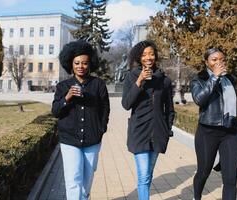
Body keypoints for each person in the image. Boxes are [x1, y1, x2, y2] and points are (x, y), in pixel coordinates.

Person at [51, 40, 110, 200]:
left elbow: (105, 109)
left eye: (84, 63)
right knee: (73, 181)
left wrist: (101, 128)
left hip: (92, 139)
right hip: (69, 140)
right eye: (77, 63)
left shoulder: (98, 85)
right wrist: (68, 97)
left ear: (90, 64)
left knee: (86, 183)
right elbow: (55, 111)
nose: (81, 66)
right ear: (71, 63)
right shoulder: (63, 86)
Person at [121, 40, 175, 200]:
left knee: (149, 173)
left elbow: (170, 109)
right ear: (139, 57)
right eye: (144, 55)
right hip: (139, 132)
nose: (148, 57)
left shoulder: (164, 80)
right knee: (144, 174)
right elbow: (126, 104)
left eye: (151, 54)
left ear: (155, 56)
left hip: (158, 133)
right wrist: (139, 82)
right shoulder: (131, 76)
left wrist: (167, 129)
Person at [190, 48, 237, 200]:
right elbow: (199, 100)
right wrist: (214, 77)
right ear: (207, 62)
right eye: (214, 60)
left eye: (221, 59)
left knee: (230, 178)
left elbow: (235, 109)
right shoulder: (199, 79)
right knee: (204, 172)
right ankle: (197, 196)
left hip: (230, 133)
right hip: (208, 132)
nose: (218, 62)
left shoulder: (230, 80)